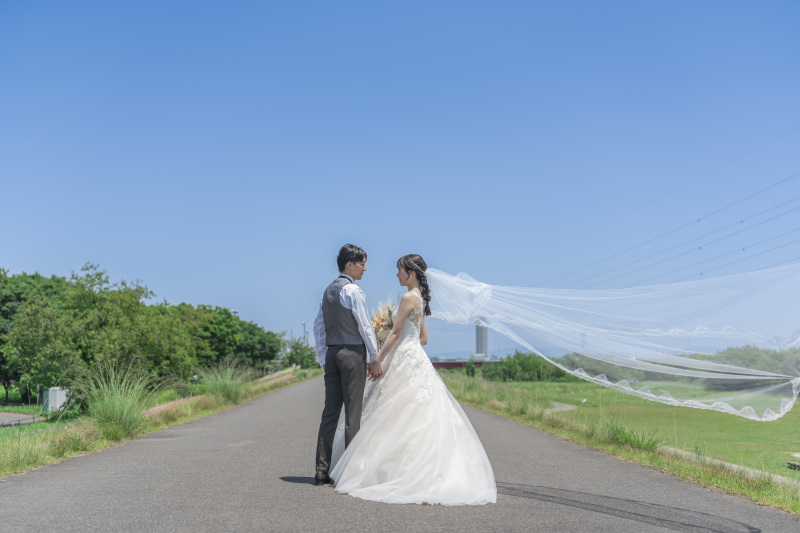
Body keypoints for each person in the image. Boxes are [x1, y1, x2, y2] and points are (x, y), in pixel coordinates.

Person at [328, 254, 497, 505]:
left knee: (393, 411)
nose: (397, 275)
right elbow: (423, 339)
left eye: (399, 270)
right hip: (415, 357)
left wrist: (378, 359)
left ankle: (389, 471)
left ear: (412, 273)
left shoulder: (408, 297)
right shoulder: (421, 299)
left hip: (402, 356)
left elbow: (396, 334)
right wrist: (403, 344)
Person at [313, 244, 379, 486]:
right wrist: (375, 356)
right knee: (353, 414)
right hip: (352, 353)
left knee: (329, 414)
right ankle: (351, 473)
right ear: (349, 264)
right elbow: (365, 326)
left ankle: (321, 470)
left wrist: (323, 357)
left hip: (331, 353)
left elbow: (318, 327)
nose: (364, 268)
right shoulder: (353, 291)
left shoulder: (327, 291)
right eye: (362, 263)